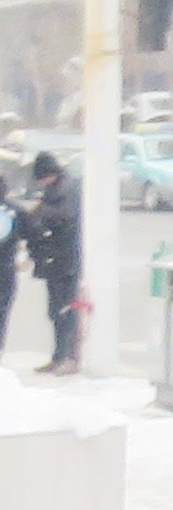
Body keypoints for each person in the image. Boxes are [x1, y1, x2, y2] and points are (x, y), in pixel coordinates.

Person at [24, 151, 81, 374]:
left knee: (65, 310)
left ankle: (68, 357)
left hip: (65, 261)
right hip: (56, 260)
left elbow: (63, 216)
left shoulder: (68, 190)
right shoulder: (56, 188)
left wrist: (39, 216)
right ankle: (59, 356)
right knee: (56, 310)